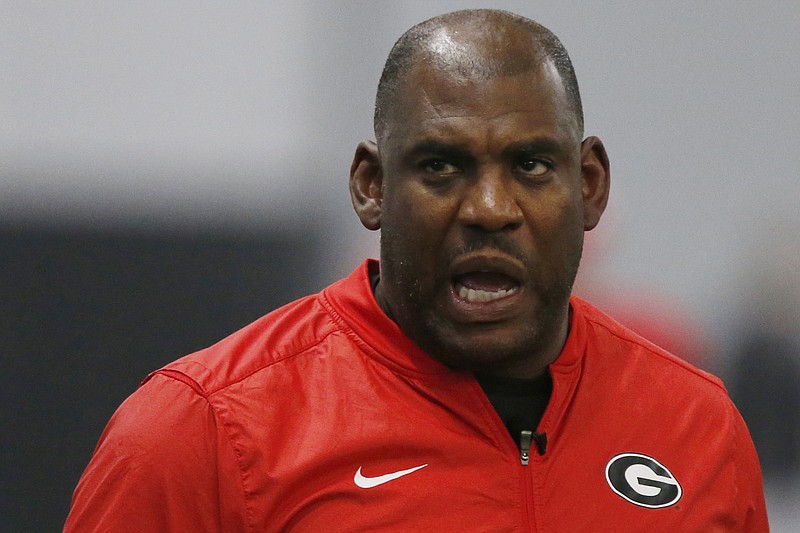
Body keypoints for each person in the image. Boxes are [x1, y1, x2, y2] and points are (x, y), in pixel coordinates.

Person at [65, 9, 768, 531]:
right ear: (371, 186)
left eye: (530, 165)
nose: (491, 208)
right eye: (441, 165)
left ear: (589, 185)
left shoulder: (698, 428)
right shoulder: (201, 432)